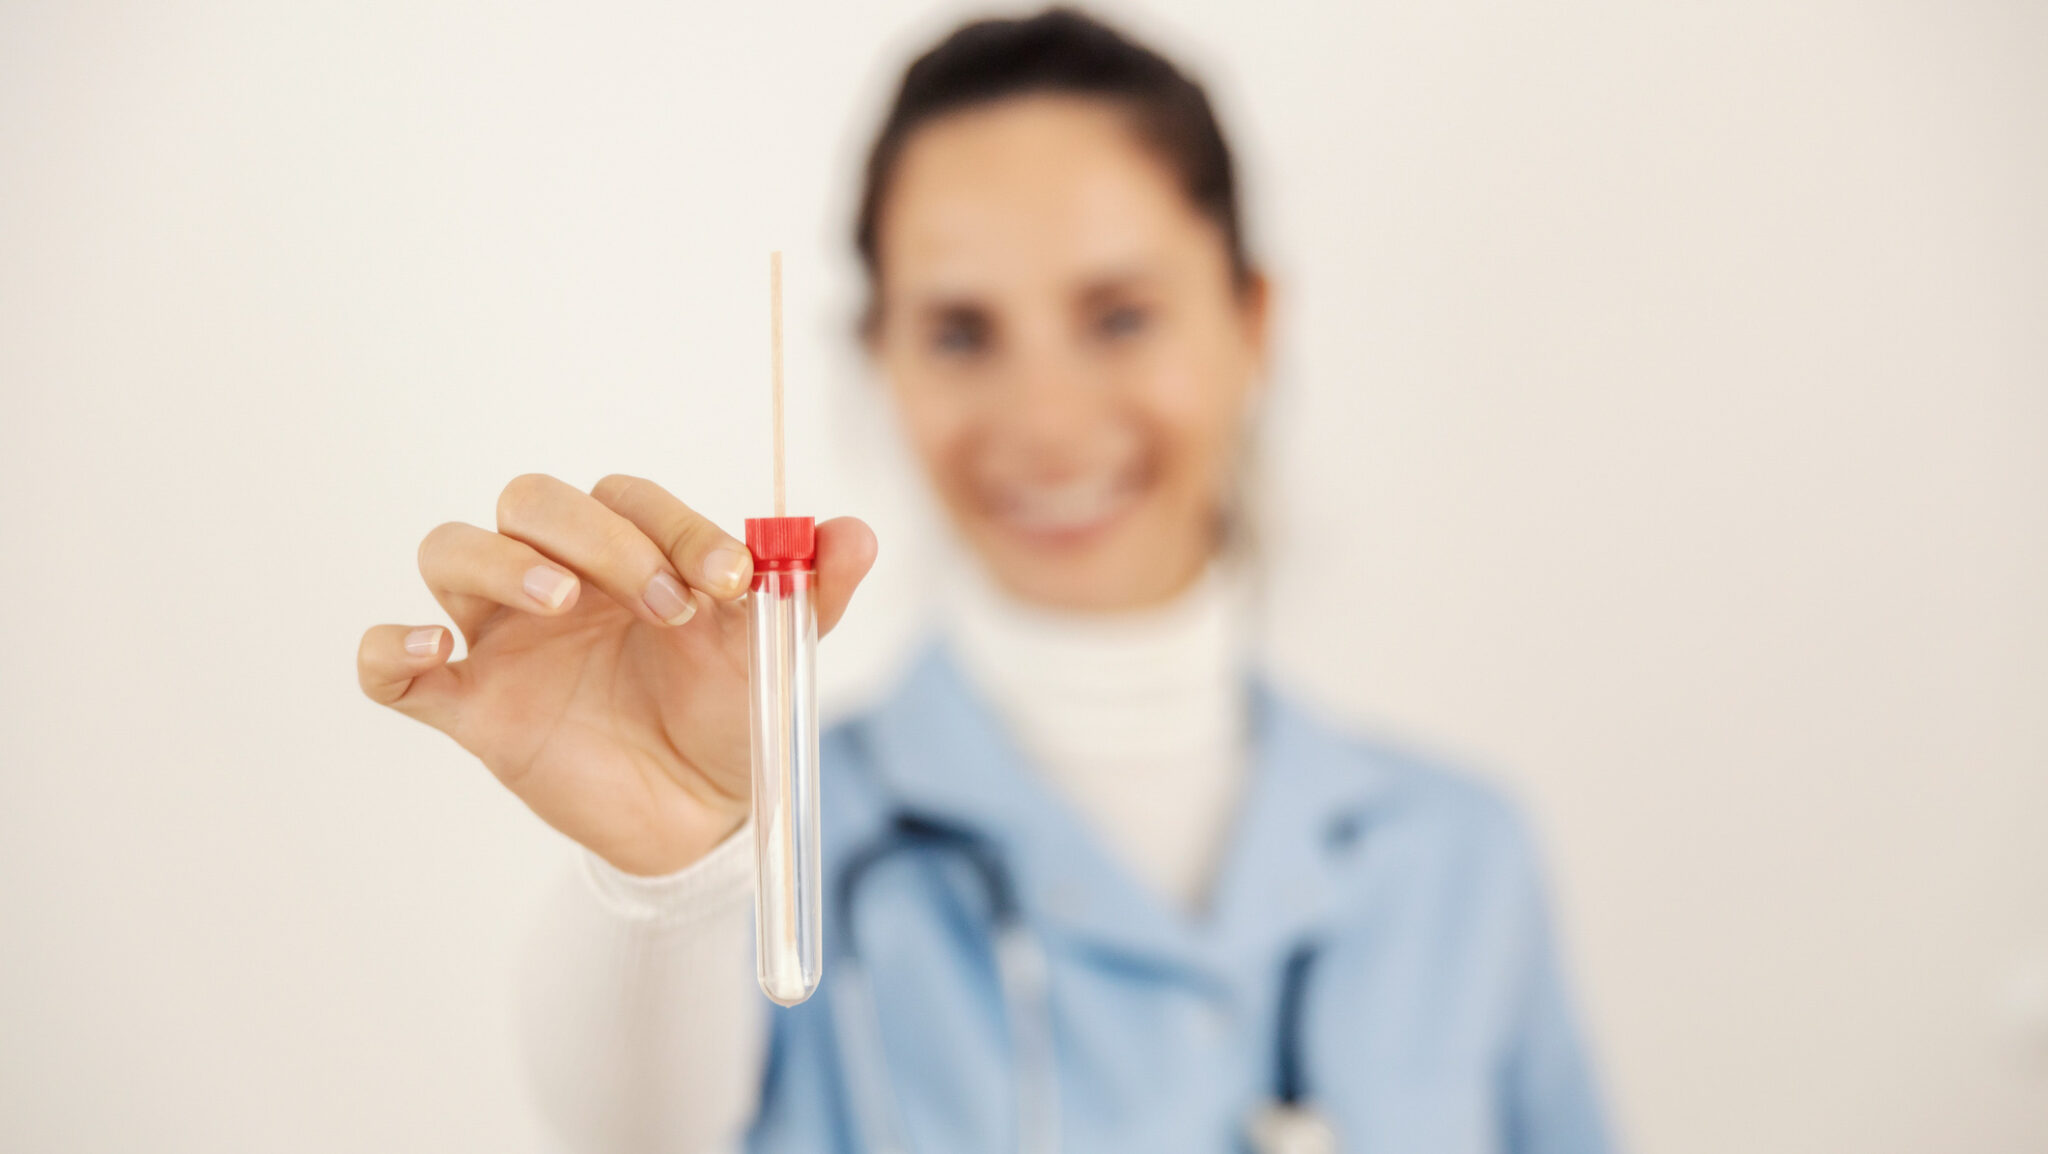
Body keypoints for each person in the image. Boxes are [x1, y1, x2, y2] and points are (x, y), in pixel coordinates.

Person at [356, 9, 1614, 1152]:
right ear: (882, 357)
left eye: (1119, 315)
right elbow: (641, 1126)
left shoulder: (1458, 857)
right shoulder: (773, 837)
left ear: (1251, 323)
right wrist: (661, 876)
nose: (1047, 420)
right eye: (960, 332)